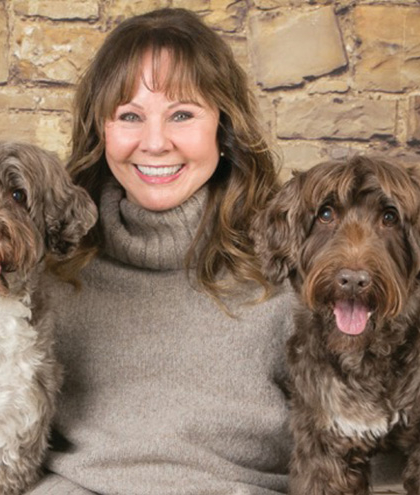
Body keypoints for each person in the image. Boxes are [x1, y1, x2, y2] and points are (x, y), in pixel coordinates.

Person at [29, 7, 294, 494]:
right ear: (100, 130)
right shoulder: (47, 272)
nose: (154, 143)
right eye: (130, 116)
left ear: (224, 127)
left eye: (182, 115)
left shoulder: (286, 272)